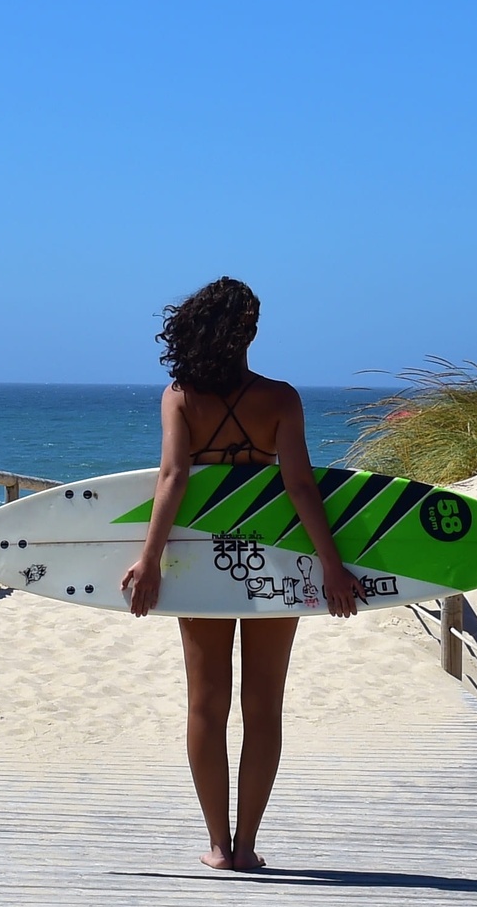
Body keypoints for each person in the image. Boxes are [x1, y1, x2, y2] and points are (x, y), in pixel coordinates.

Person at [118, 277, 359, 871]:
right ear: (249, 331)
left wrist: (149, 561)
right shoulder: (280, 398)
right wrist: (332, 565)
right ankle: (248, 845)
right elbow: (299, 486)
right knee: (263, 704)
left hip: (202, 561)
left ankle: (218, 848)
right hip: (274, 561)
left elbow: (173, 478)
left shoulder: (180, 396)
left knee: (205, 704)